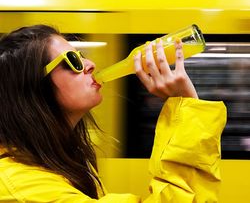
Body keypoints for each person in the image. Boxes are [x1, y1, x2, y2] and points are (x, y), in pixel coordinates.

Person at [0, 24, 226, 202]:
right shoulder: (22, 187)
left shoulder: (61, 162)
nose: (89, 63)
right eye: (72, 60)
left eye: (82, 55)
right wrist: (187, 106)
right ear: (31, 87)